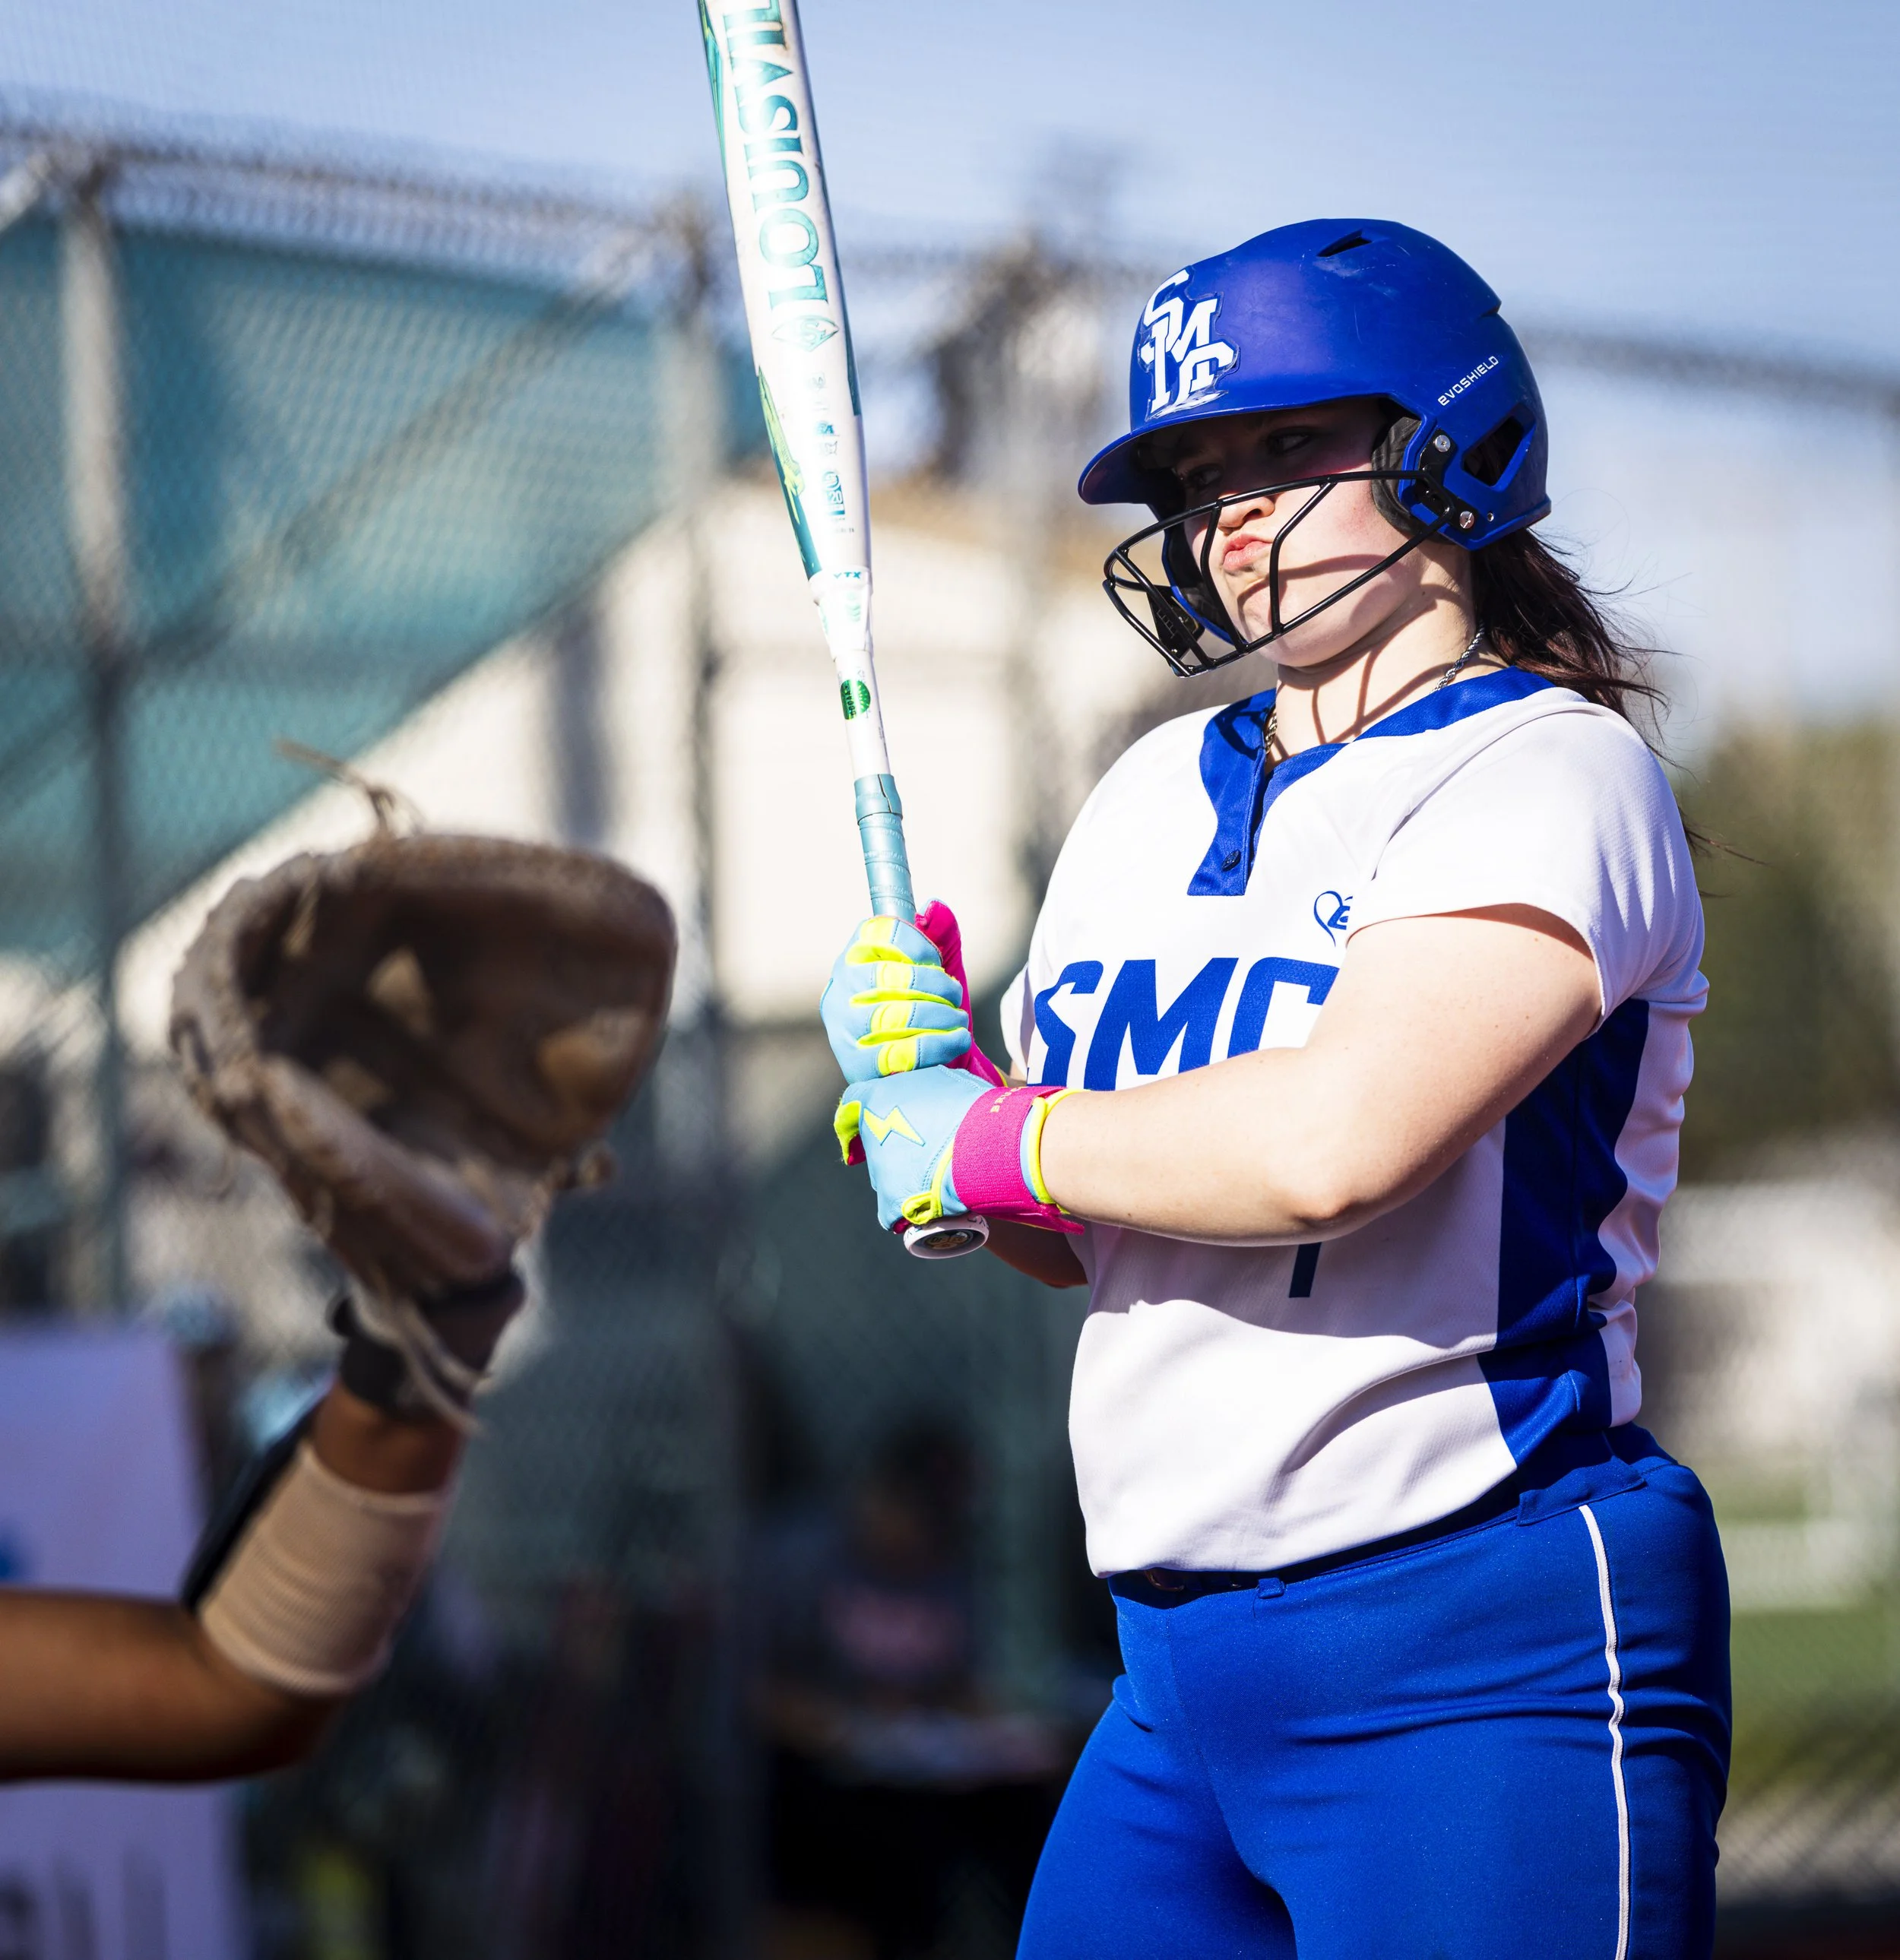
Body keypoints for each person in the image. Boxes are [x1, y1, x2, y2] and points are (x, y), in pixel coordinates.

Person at [823, 220, 1730, 1959]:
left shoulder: (1547, 767)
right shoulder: (1142, 795)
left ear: (1447, 445)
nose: (1224, 515)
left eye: (1284, 448)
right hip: (1171, 1682)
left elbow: (1333, 1142)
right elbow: (1091, 1234)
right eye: (1193, 479)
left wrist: (1002, 1133)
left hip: (1479, 1644)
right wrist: (934, 1099)